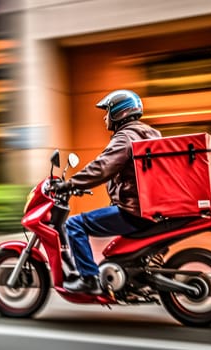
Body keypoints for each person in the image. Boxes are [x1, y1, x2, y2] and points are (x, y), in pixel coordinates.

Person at [54, 89, 161, 294]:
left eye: (108, 111)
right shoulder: (149, 132)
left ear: (119, 112)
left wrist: (70, 184)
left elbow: (103, 167)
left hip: (133, 211)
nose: (105, 117)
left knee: (74, 224)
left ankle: (89, 279)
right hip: (149, 208)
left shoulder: (125, 137)